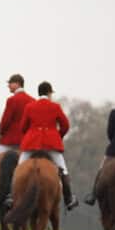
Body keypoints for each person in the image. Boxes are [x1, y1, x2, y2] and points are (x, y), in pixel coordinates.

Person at [15, 81, 79, 210]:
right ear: (49, 92)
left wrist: (31, 135)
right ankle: (69, 199)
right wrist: (57, 136)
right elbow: (65, 125)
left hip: (32, 144)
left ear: (39, 93)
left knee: (19, 169)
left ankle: (12, 196)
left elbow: (22, 127)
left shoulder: (30, 106)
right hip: (51, 145)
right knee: (64, 170)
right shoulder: (55, 106)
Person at [0, 73, 34, 158]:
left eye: (10, 83)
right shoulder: (32, 100)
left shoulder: (12, 100)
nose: (8, 86)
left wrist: (1, 133)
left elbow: (5, 121)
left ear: (18, 84)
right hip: (27, 140)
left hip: (11, 140)